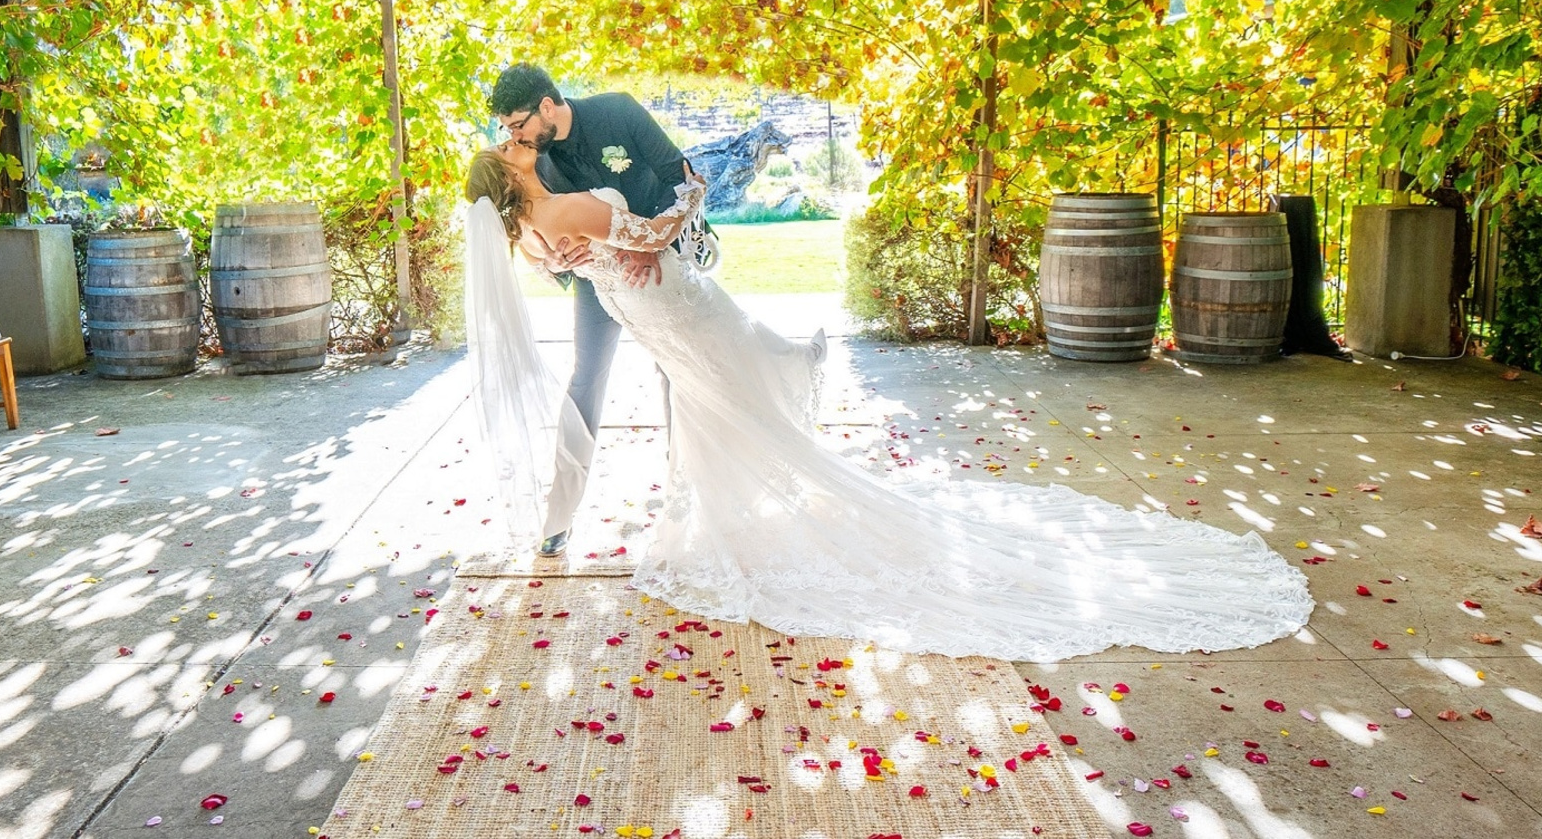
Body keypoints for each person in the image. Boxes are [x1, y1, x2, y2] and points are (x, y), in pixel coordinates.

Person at [461, 139, 1315, 661]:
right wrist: (690, 192)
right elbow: (648, 236)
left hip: (646, 314)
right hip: (679, 304)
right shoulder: (565, 201)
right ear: (509, 171)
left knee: (724, 404)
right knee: (742, 391)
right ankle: (763, 504)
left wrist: (602, 257)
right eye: (508, 149)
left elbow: (574, 263)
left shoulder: (534, 235)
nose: (515, 143)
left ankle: (718, 521)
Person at [485, 65, 707, 557]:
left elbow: (678, 173)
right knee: (586, 377)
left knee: (677, 371)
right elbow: (539, 238)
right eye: (507, 130)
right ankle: (558, 514)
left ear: (547, 105)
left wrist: (650, 245)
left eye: (517, 123)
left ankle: (682, 493)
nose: (513, 135)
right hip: (600, 283)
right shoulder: (533, 161)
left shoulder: (618, 111)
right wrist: (557, 258)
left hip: (661, 265)